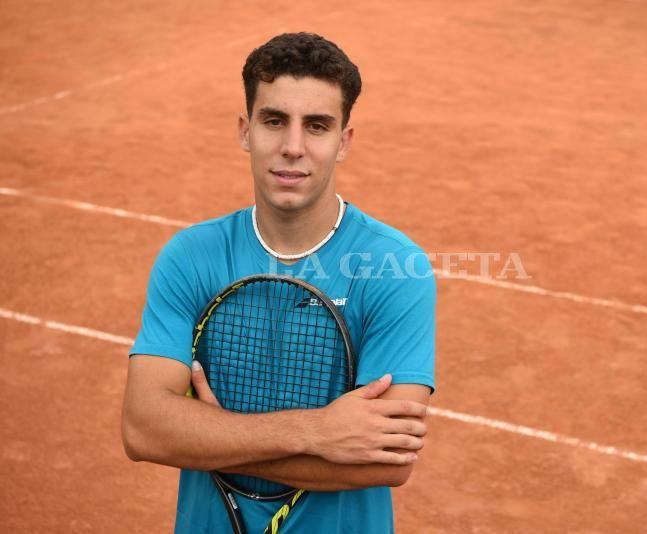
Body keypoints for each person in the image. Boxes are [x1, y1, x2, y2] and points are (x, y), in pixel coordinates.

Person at [121, 32, 436, 533]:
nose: (293, 147)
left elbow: (386, 460)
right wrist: (318, 432)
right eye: (274, 121)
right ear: (245, 131)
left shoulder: (395, 267)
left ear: (344, 141)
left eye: (317, 126)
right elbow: (142, 429)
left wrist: (210, 439)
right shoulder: (190, 257)